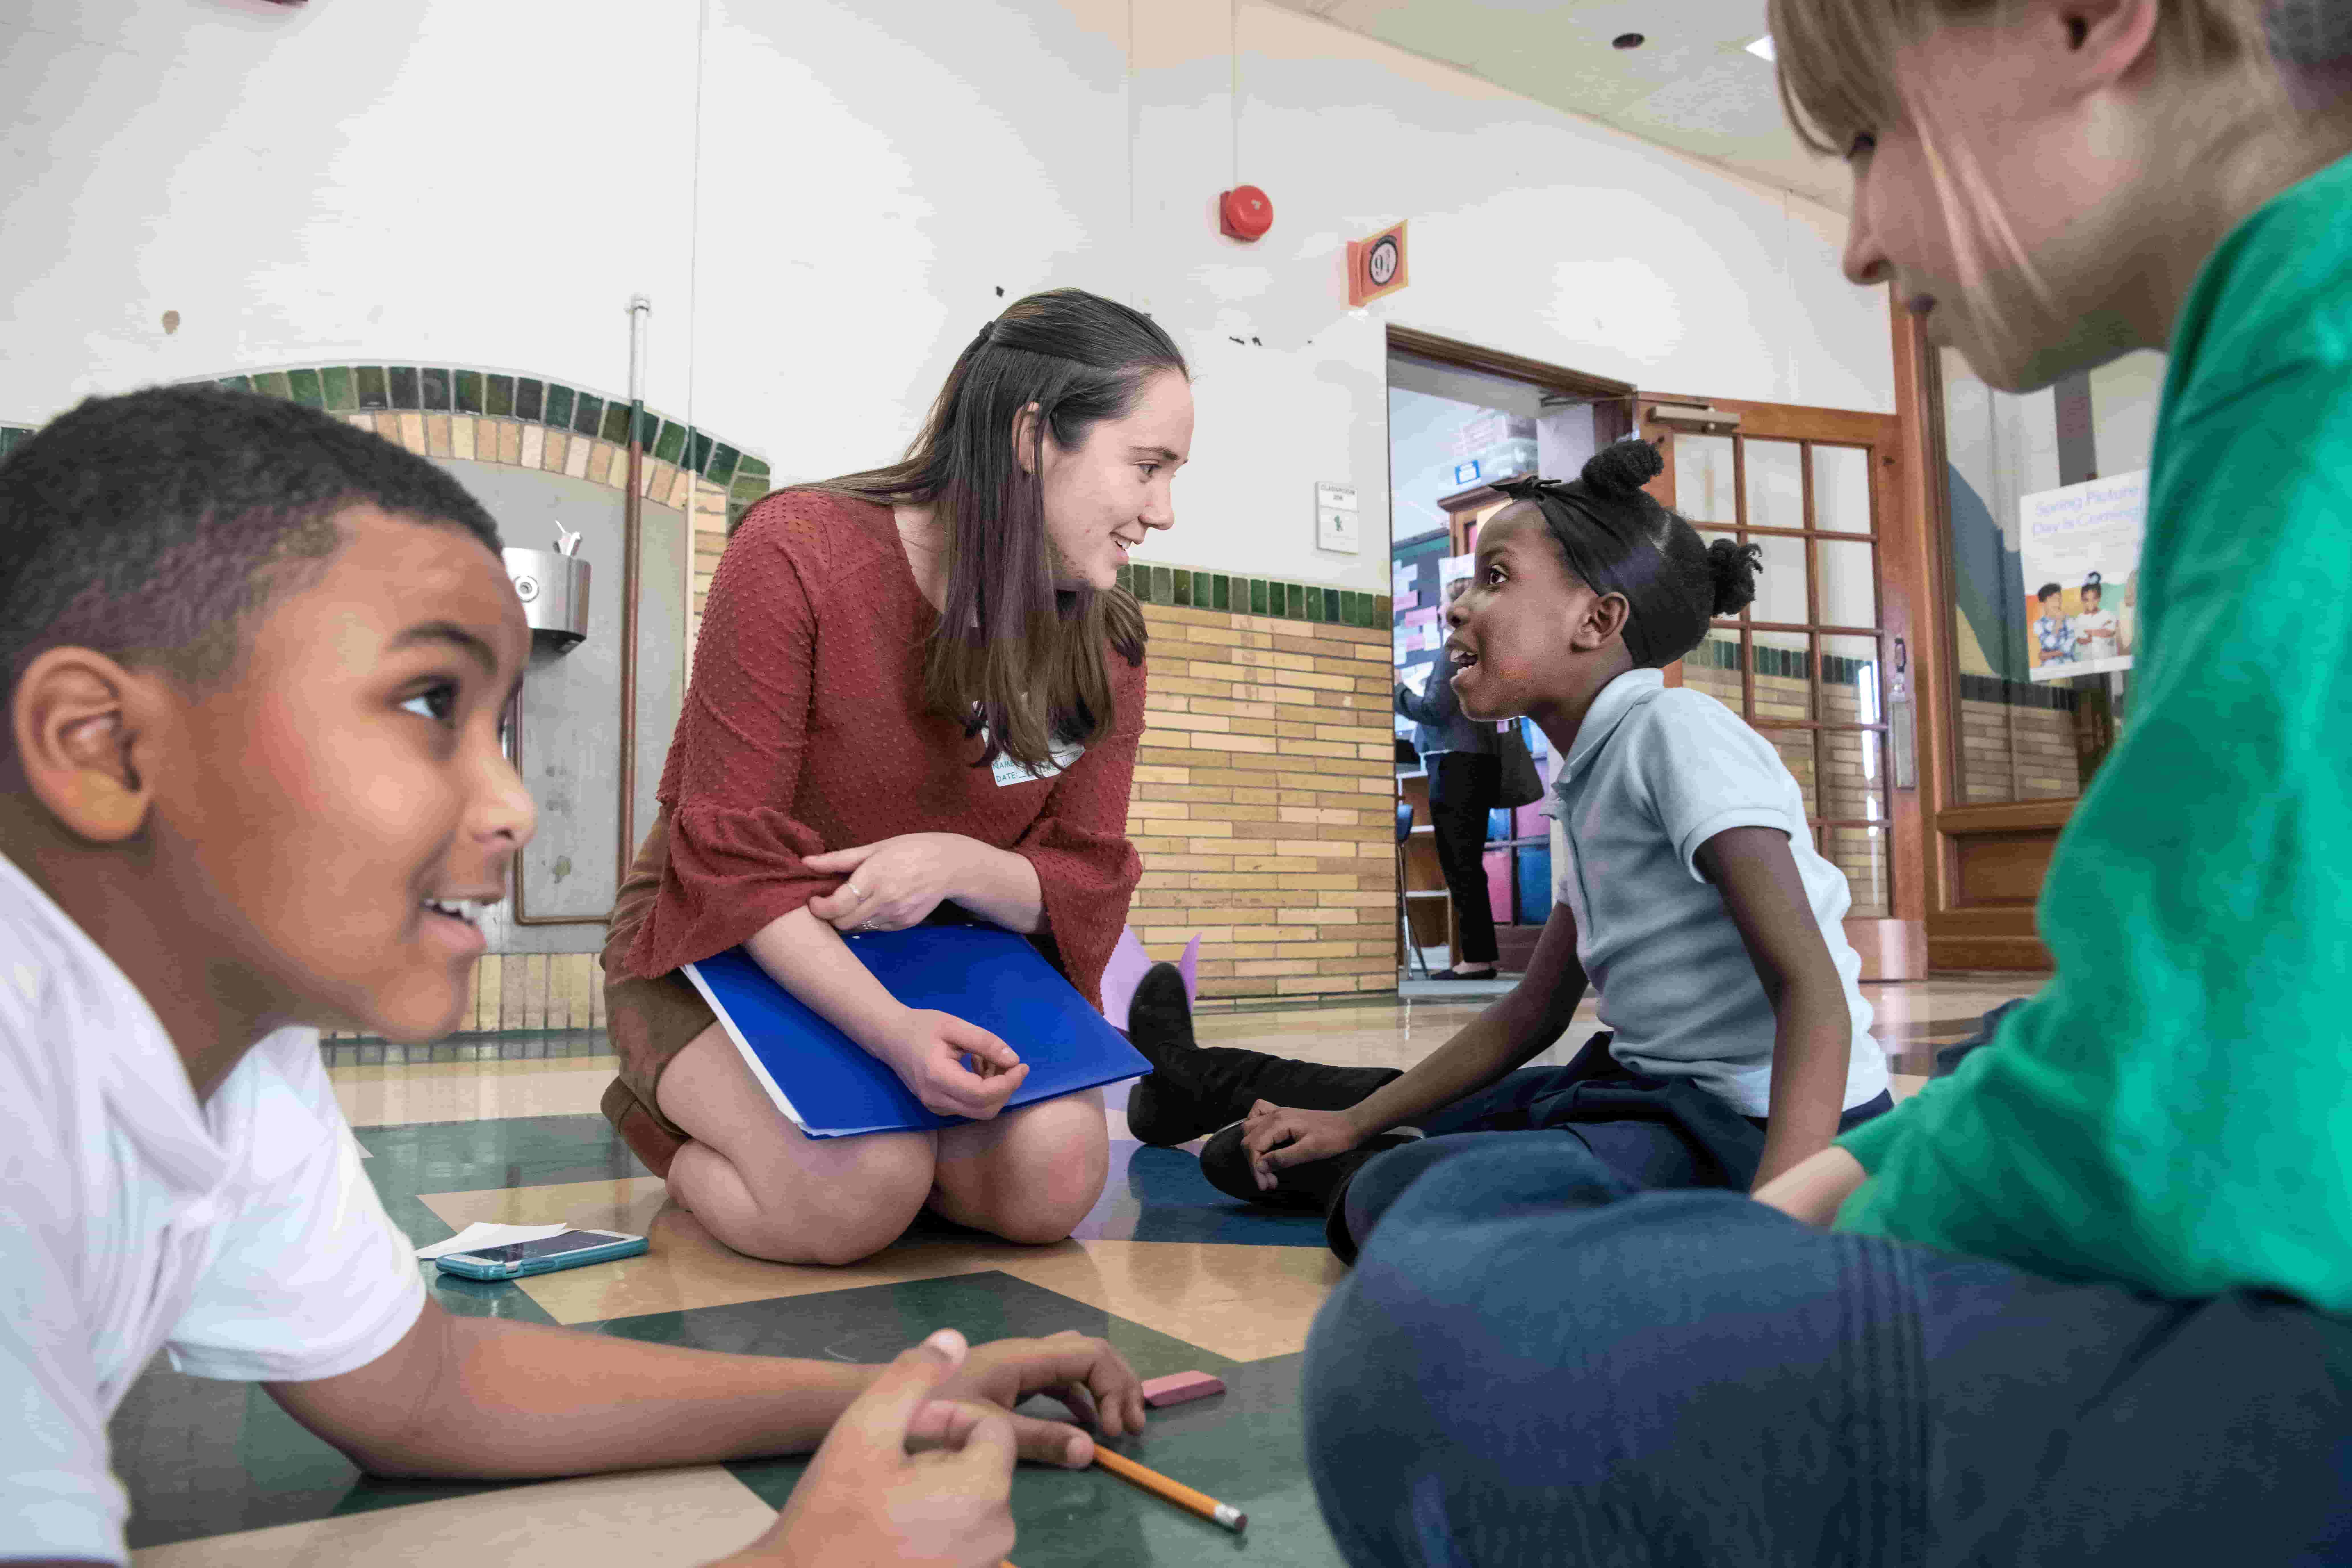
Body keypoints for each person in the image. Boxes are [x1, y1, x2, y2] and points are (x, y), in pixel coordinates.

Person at [1304, 0, 2352, 1558]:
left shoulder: (2308, 346)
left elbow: (2194, 1099)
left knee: (1416, 1354)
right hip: (1705, 1109)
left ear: (2086, 20)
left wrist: (1796, 1222)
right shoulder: (2273, 342)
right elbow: (2195, 1014)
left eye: (1867, 138)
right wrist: (1855, 1177)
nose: (1856, 242)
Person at [0, 386, 1150, 1568]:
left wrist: (895, 1393)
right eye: (428, 702)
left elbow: (426, 1388)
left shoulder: (236, 1056)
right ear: (98, 743)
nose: (514, 804)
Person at [1125, 440, 1894, 1259]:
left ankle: (1323, 1143)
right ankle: (1206, 1086)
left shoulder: (1676, 732)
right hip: (1648, 1095)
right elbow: (1532, 1012)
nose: (1459, 606)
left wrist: (1778, 1226)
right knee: (1312, 1136)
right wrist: (1351, 1124)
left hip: (1761, 1127)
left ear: (1597, 621)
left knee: (1393, 1191)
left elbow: (1810, 988)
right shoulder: (1591, 773)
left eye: (1495, 578)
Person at [599, 288, 1193, 1267]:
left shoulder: (1107, 640)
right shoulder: (796, 549)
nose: (1162, 511)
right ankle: (672, 1116)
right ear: (1032, 437)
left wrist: (953, 863)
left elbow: (1087, 878)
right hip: (724, 941)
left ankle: (892, 1146)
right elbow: (728, 858)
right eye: (1147, 466)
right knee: (852, 1191)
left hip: (942, 954)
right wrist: (890, 1033)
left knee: (1052, 1181)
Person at [1393, 575, 1502, 980]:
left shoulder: (1454, 650)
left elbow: (1434, 710)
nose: (1439, 610)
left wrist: (1398, 691)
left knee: (1460, 865)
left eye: (1442, 603)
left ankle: (1476, 960)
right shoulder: (1487, 649)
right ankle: (1481, 957)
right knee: (1469, 864)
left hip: (1455, 765)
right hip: (1479, 763)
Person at [2072, 569, 2120, 658]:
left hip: (2106, 657)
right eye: (2087, 600)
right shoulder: (2080, 618)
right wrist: (2099, 632)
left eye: (2094, 599)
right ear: (2082, 600)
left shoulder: (2107, 614)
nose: (2091, 603)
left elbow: (2110, 632)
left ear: (2099, 598)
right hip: (2087, 660)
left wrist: (2089, 632)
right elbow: (2080, 640)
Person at [2031, 578, 2076, 665]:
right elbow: (2050, 644)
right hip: (2049, 667)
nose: (2058, 603)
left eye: (2059, 599)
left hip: (2069, 665)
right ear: (2043, 604)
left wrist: (2046, 655)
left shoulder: (2070, 621)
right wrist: (2058, 623)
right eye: (2053, 600)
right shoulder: (2039, 625)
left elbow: (2069, 648)